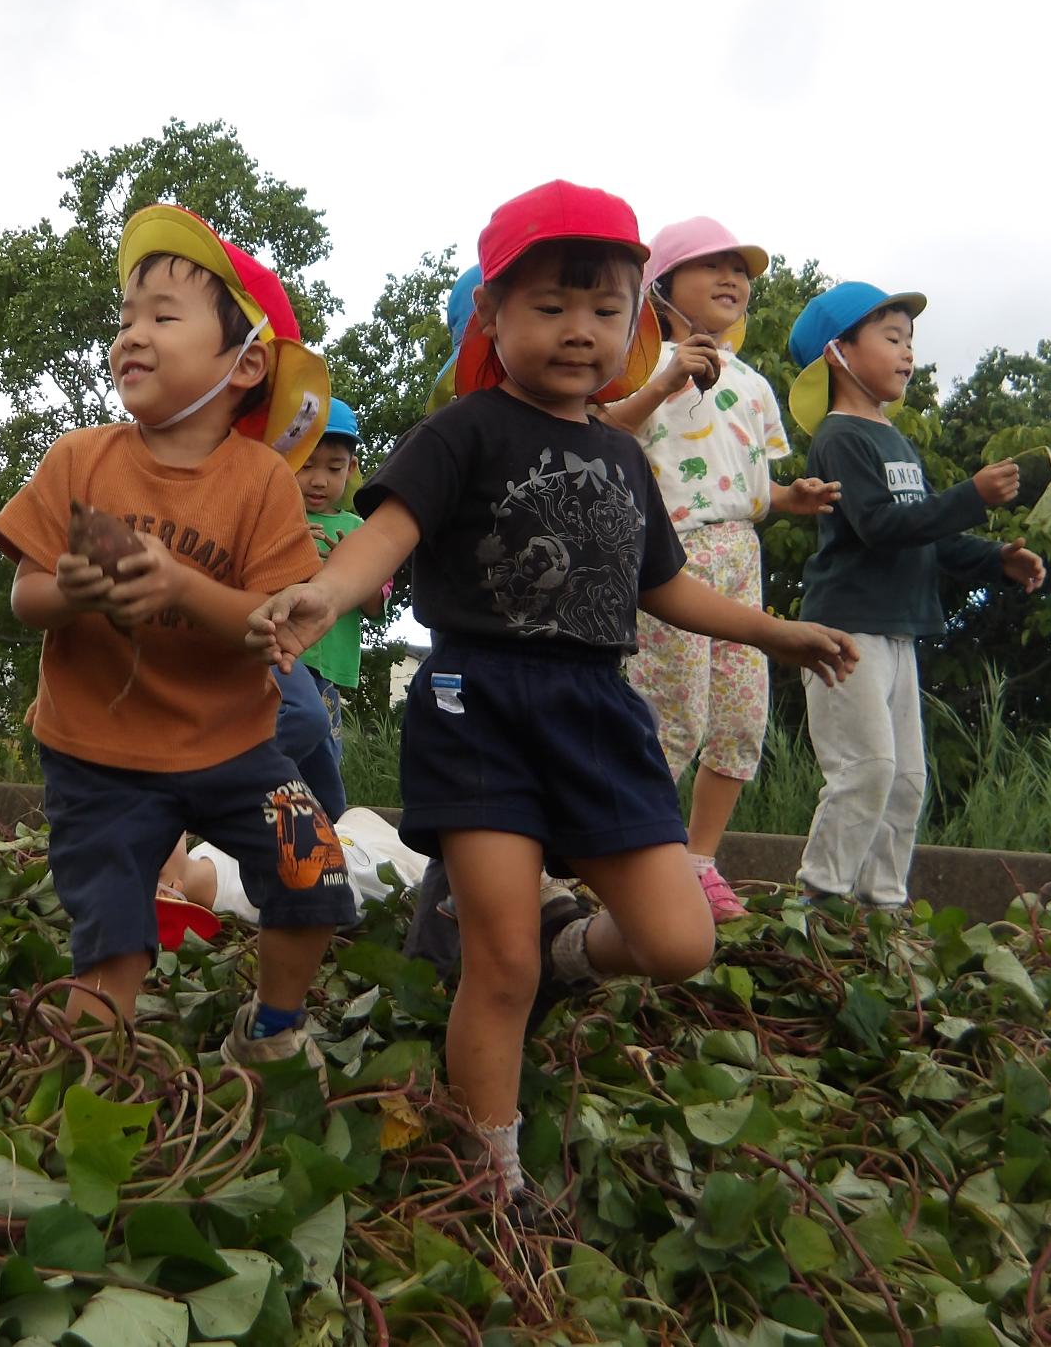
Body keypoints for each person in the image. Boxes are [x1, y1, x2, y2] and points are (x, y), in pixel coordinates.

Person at [251, 181, 859, 1200]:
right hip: (477, 702)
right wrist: (323, 592)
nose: (579, 329)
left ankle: (565, 945)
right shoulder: (462, 432)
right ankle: (493, 1174)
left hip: (595, 711)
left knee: (678, 941)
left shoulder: (622, 454)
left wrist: (775, 632)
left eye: (605, 308)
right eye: (549, 306)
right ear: (492, 316)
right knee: (499, 964)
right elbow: (386, 535)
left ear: (634, 327)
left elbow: (664, 587)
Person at [0, 203, 355, 1070]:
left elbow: (271, 626)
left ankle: (271, 1030)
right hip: (98, 758)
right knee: (112, 940)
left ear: (246, 362)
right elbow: (26, 598)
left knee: (315, 869)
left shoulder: (262, 482)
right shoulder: (81, 458)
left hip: (238, 749)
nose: (132, 335)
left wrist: (183, 586)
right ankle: (89, 1078)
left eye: (163, 316)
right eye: (125, 319)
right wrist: (73, 592)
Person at [596, 218, 840, 921]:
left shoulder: (753, 383)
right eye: (711, 266)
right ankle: (618, 851)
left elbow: (747, 487)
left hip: (741, 555)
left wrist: (793, 498)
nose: (732, 278)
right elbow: (603, 434)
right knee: (672, 714)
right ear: (662, 286)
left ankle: (699, 860)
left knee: (740, 718)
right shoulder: (637, 363)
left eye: (740, 269)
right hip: (669, 554)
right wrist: (666, 382)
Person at [786, 282, 1045, 907]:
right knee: (866, 769)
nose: (907, 353)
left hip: (897, 631)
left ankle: (881, 907)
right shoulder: (840, 437)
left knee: (905, 780)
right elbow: (880, 526)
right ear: (837, 352)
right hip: (847, 630)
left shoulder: (895, 440)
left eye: (910, 341)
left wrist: (997, 558)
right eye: (891, 338)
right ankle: (818, 903)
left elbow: (929, 536)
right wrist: (970, 497)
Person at [290, 398, 389, 820]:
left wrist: (347, 568)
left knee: (324, 761)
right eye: (306, 465)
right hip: (282, 661)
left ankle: (326, 830)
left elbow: (376, 604)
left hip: (328, 669)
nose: (319, 480)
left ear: (351, 469)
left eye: (333, 468)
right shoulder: (276, 520)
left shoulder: (359, 531)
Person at [160, 806, 430, 923]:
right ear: (169, 892)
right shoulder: (252, 899)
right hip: (382, 865)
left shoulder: (204, 850)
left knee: (356, 814)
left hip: (350, 831)